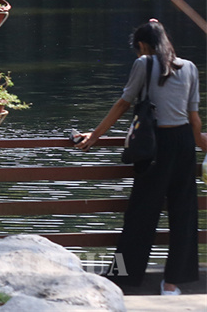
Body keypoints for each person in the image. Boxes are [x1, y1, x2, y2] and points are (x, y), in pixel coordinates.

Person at [75, 19, 204, 295]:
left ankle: (122, 279)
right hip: (183, 143)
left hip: (154, 145)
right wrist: (203, 145)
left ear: (143, 46)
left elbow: (124, 103)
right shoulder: (189, 67)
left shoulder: (143, 63)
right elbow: (194, 118)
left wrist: (95, 135)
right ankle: (172, 284)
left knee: (140, 215)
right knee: (184, 213)